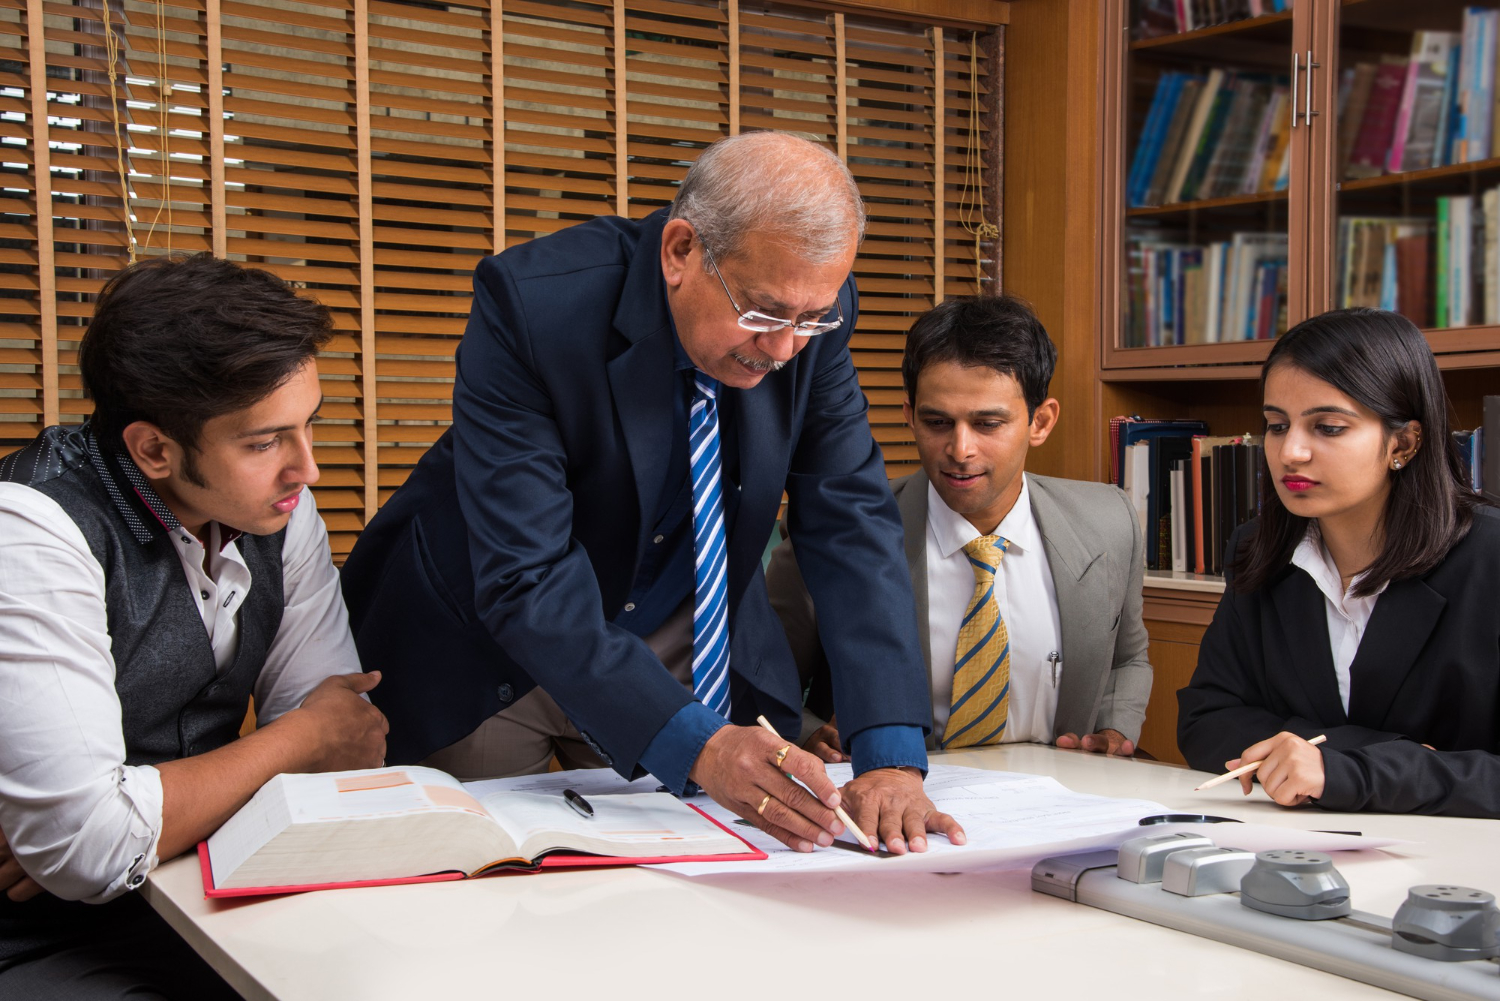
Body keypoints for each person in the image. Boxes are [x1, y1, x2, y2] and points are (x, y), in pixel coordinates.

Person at [342, 130, 964, 856]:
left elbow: (850, 519)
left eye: (811, 319)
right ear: (680, 252)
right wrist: (699, 746)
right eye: (764, 313)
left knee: (688, 885)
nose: (788, 346)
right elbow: (526, 572)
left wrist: (888, 752)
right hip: (495, 644)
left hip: (677, 628)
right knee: (489, 881)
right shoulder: (534, 305)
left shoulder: (805, 306)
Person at [0, 253, 388, 999]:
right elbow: (87, 849)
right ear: (154, 449)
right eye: (264, 441)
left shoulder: (280, 510)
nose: (306, 469)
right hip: (37, 931)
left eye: (308, 425)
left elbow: (348, 755)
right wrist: (299, 739)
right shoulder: (35, 524)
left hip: (202, 890)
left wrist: (125, 819)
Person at [768, 296, 1153, 759]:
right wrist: (808, 732)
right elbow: (763, 676)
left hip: (1061, 800)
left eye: (988, 423)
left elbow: (1127, 658)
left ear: (1041, 421)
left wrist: (1114, 728)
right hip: (903, 800)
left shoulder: (1109, 522)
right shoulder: (833, 530)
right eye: (937, 422)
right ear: (909, 414)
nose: (960, 449)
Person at [1177, 307, 1500, 818]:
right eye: (1277, 426)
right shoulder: (1257, 550)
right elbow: (1207, 720)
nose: (1292, 453)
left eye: (1327, 427)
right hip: (1290, 846)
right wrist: (1370, 753)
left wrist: (1351, 770)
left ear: (1404, 443)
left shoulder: (1490, 559)